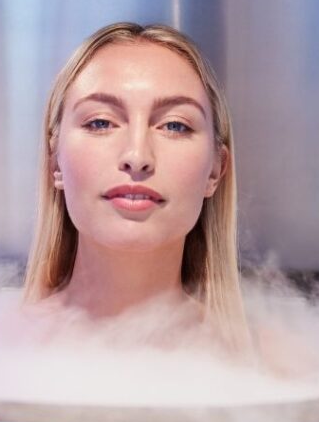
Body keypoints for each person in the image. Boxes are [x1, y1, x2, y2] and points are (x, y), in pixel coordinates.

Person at [22, 21, 256, 357]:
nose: (137, 157)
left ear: (215, 171)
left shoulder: (276, 367)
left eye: (175, 125)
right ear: (55, 163)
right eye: (100, 122)